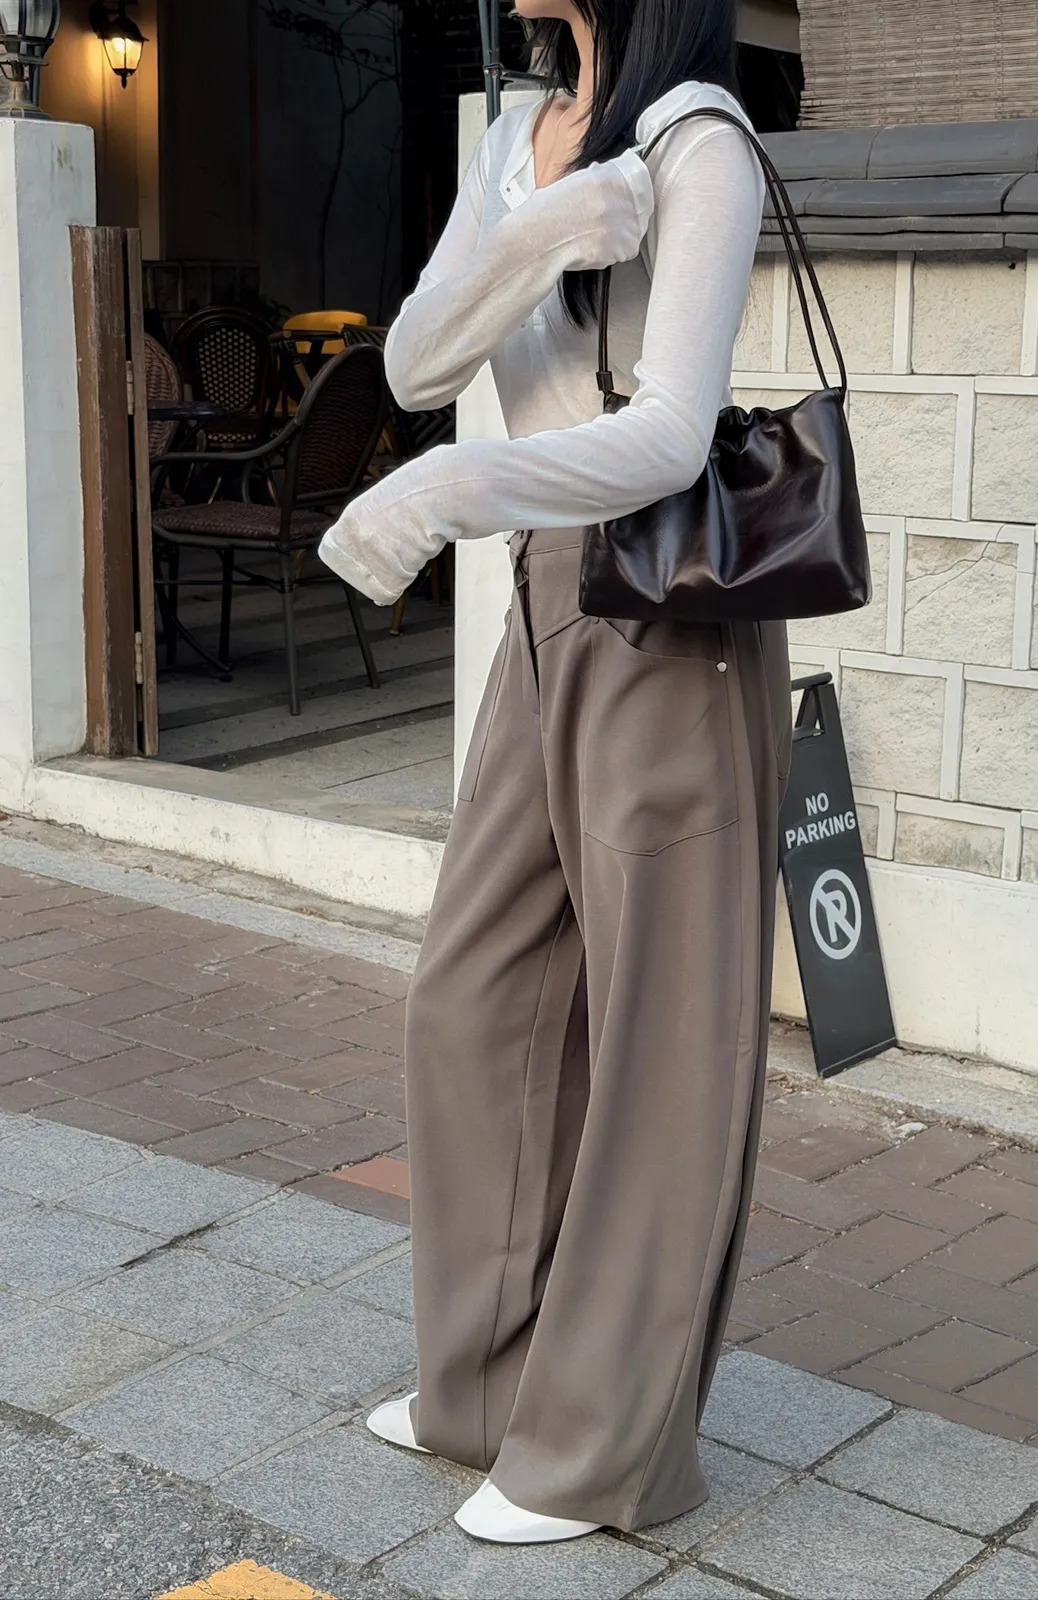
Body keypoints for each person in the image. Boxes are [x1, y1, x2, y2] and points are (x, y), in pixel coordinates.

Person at [318, 0, 793, 1547]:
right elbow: (414, 361)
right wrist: (541, 234)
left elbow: (668, 436)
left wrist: (457, 486)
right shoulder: (519, 138)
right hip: (542, 601)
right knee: (474, 994)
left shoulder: (700, 139)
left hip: (664, 611)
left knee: (662, 1034)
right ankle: (482, 1386)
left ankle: (594, 1449)